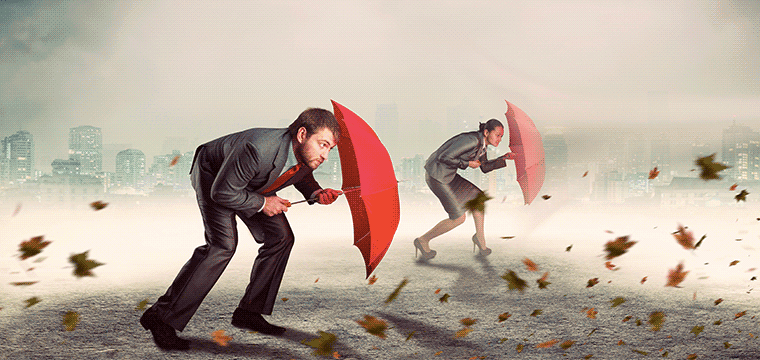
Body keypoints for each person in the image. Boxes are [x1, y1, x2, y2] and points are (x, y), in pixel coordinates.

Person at [140, 108, 344, 350]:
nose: (325, 155)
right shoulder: (257, 149)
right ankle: (160, 317)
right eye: (323, 145)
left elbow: (301, 173)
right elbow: (222, 192)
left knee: (281, 237)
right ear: (302, 134)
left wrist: (316, 193)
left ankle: (249, 312)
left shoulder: (303, 153)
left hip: (252, 181)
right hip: (215, 175)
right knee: (222, 246)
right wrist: (263, 203)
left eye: (330, 149)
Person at [413, 119, 516, 259]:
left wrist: (504, 158)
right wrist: (467, 163)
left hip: (448, 175)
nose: (500, 139)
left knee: (478, 198)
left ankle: (480, 239)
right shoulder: (471, 140)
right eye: (497, 135)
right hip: (437, 176)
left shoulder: (482, 144)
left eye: (501, 136)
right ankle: (423, 240)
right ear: (486, 132)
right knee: (459, 218)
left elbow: (484, 167)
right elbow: (444, 157)